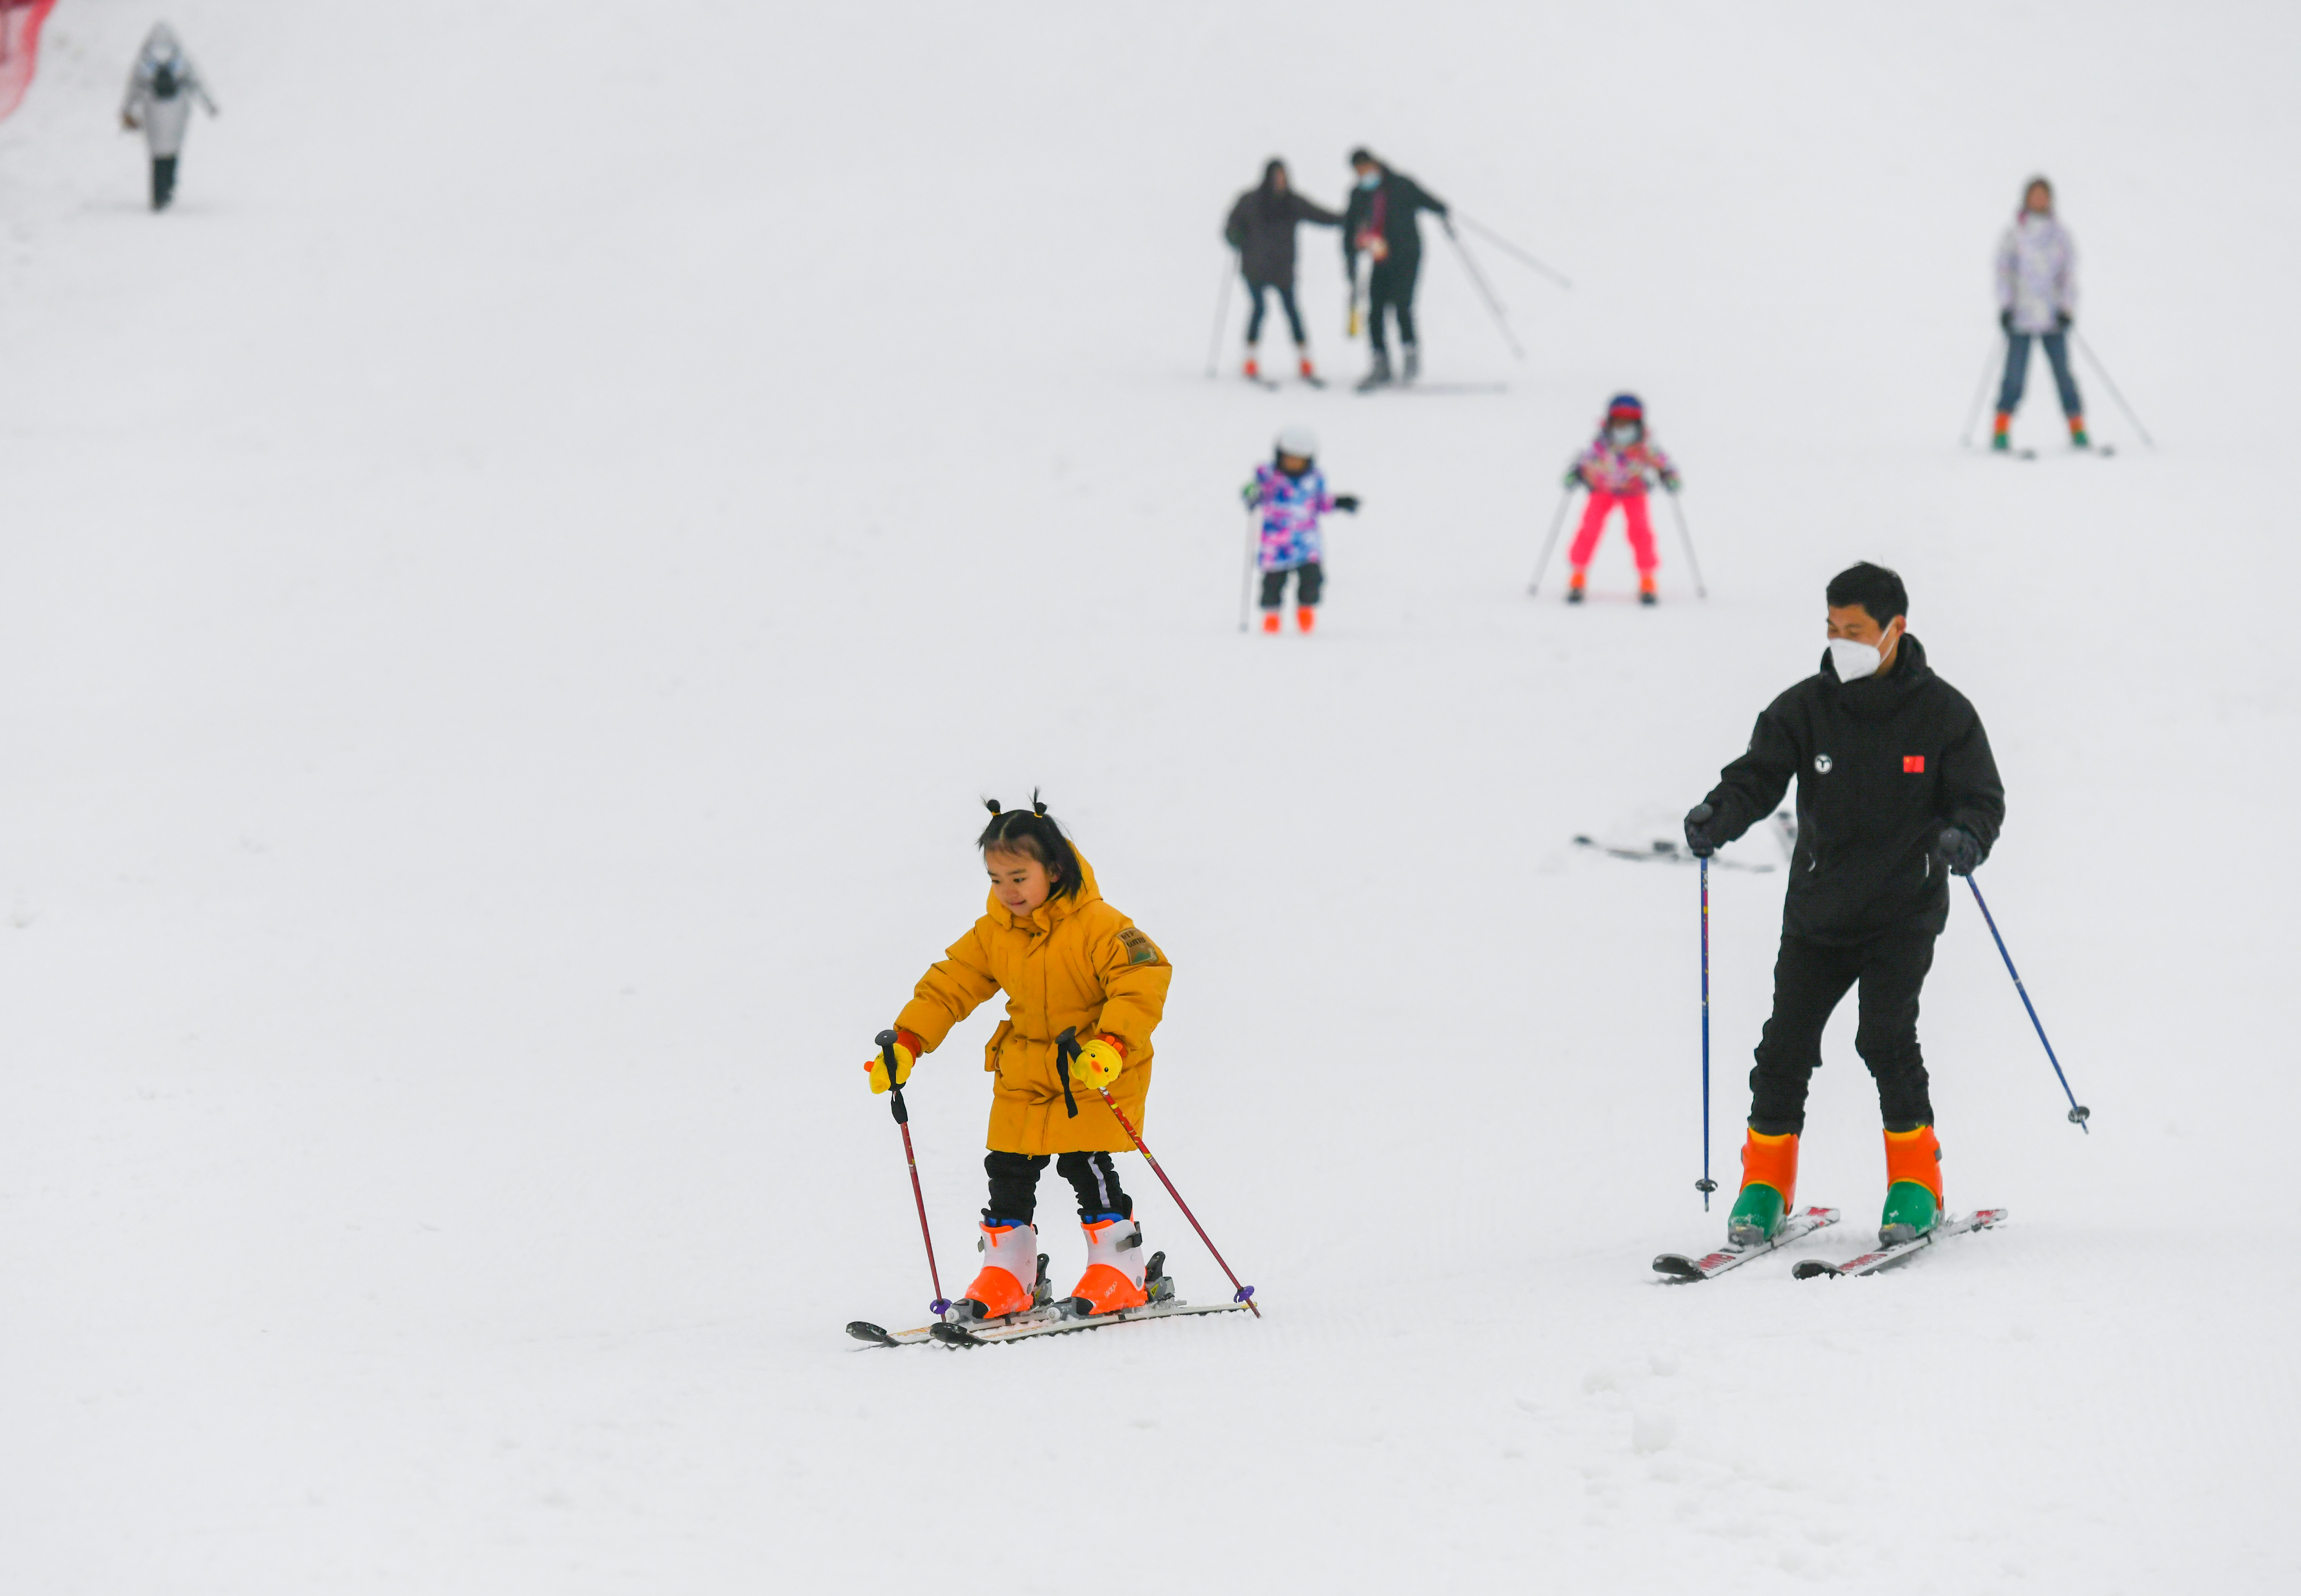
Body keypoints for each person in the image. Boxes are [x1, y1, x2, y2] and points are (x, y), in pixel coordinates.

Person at [1681, 564, 2005, 1249]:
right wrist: (1720, 813)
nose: (1841, 641)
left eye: (1855, 630)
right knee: (1784, 1047)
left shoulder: (1944, 713)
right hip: (1819, 915)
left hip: (1903, 910)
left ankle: (1917, 1182)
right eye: (1832, 627)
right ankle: (1765, 1184)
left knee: (1884, 1038)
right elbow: (1757, 776)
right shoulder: (1804, 707)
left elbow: (1981, 797)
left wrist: (1965, 838)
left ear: (1896, 629)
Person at [868, 800, 1174, 1323]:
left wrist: (1113, 1044)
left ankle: (1123, 1271)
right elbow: (951, 984)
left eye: (1018, 876)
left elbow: (1142, 980)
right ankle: (1010, 1273)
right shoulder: (995, 932)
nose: (1008, 891)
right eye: (995, 878)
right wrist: (909, 1041)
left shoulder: (1101, 925)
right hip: (1024, 1069)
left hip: (1090, 1066)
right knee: (1007, 1169)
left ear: (1054, 870)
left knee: (1087, 1163)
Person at [1224, 159, 1344, 384]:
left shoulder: (1293, 202)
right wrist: (1234, 237)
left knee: (1292, 312)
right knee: (1259, 309)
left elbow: (1320, 216)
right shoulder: (1250, 201)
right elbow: (1231, 225)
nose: (1280, 182)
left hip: (1282, 268)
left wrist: (1346, 220)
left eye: (1283, 177)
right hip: (1255, 266)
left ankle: (1305, 361)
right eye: (1277, 177)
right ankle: (1250, 360)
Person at [1992, 177, 2087, 451]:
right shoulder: (2015, 234)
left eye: (2043, 195)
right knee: (2014, 378)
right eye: (2034, 195)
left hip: (2052, 318)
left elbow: (2068, 275)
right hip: (2021, 318)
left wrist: (2067, 309)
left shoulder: (2060, 236)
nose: (2039, 200)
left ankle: (2078, 429)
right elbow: (2003, 272)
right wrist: (2006, 307)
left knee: (2064, 377)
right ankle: (2000, 430)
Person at [1341, 149, 1447, 388]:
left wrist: (1441, 209)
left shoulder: (1401, 185)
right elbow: (1350, 229)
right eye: (1358, 172)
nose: (1363, 175)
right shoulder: (1359, 194)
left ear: (1375, 164)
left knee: (1402, 306)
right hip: (1381, 258)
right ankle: (1381, 364)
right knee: (1375, 311)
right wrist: (1350, 259)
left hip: (1407, 255)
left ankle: (1410, 357)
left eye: (1365, 169)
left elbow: (1427, 200)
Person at [1562, 394, 1681, 606]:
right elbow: (1585, 460)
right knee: (1589, 529)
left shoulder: (1644, 446)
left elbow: (1662, 462)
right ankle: (1578, 576)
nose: (1623, 429)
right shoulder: (1602, 444)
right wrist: (1576, 473)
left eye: (1629, 424)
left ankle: (1647, 579)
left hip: (1634, 492)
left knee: (1640, 532)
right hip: (1602, 490)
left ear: (1639, 424)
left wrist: (1668, 476)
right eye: (1618, 422)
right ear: (1609, 422)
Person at [1241, 424, 1360, 634]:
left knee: (1312, 579)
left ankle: (1306, 614)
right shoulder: (1269, 477)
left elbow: (1321, 503)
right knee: (1273, 583)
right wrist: (1252, 495)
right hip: (1276, 544)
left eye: (1300, 460)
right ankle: (1272, 618)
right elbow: (1251, 490)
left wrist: (1340, 502)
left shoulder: (1314, 479)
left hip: (1307, 542)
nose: (1294, 464)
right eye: (1290, 459)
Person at [119, 22, 218, 212]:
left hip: (153, 109)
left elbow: (135, 86)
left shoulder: (145, 60)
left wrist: (128, 109)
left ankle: (158, 196)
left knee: (156, 154)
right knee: (173, 151)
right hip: (177, 109)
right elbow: (196, 81)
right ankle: (170, 188)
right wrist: (209, 104)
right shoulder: (180, 58)